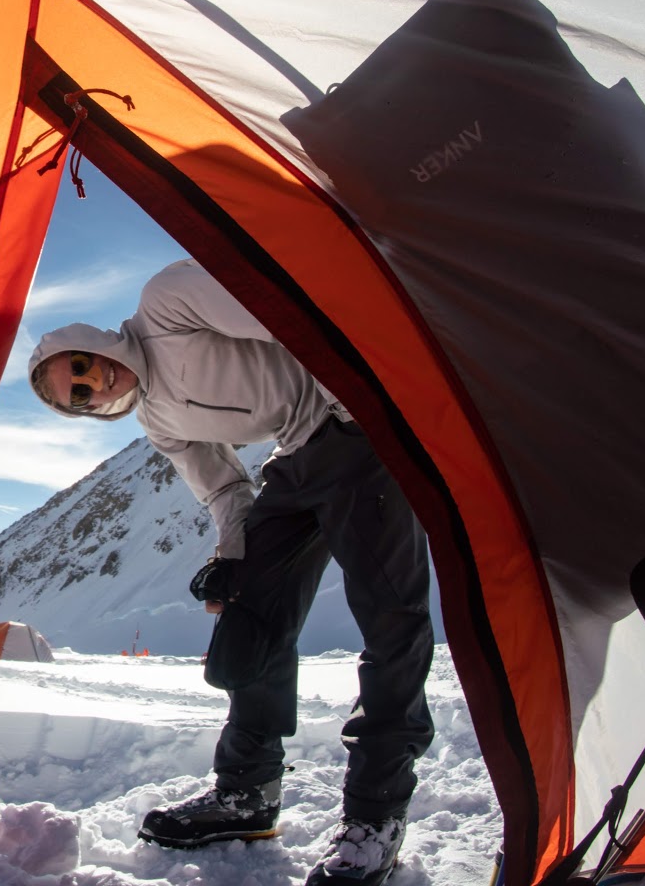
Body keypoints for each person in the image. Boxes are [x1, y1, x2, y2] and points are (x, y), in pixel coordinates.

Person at [28, 259, 433, 886]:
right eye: (79, 394)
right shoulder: (159, 425)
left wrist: (367, 396)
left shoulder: (165, 305)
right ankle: (247, 794)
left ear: (88, 342)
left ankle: (376, 815)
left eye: (79, 365)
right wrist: (230, 558)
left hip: (357, 426)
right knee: (251, 617)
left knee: (390, 621)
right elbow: (224, 492)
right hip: (297, 459)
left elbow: (290, 319)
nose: (93, 381)